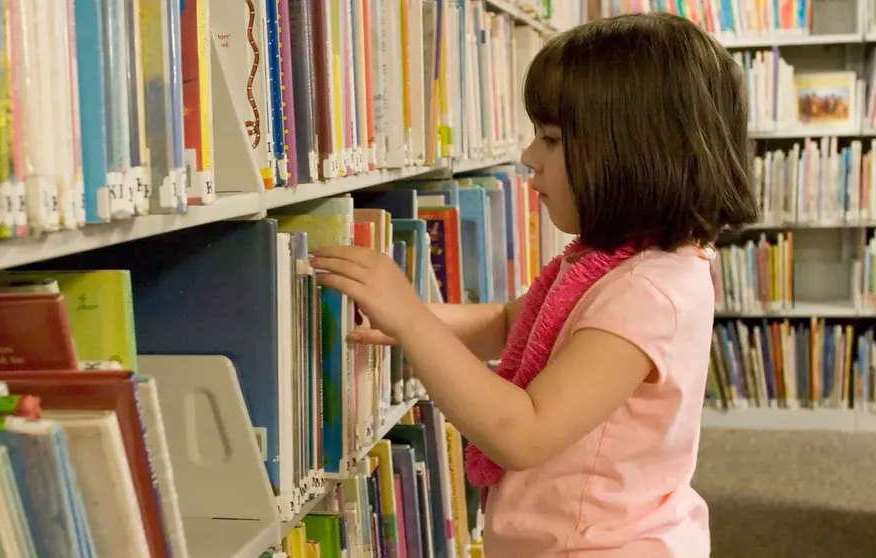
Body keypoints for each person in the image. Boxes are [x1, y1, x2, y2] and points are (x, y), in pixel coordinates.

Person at [310, 12, 759, 557]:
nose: (528, 157)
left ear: (634, 153)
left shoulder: (647, 294)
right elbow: (508, 324)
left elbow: (524, 432)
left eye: (550, 139)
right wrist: (405, 323)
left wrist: (410, 318)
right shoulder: (613, 264)